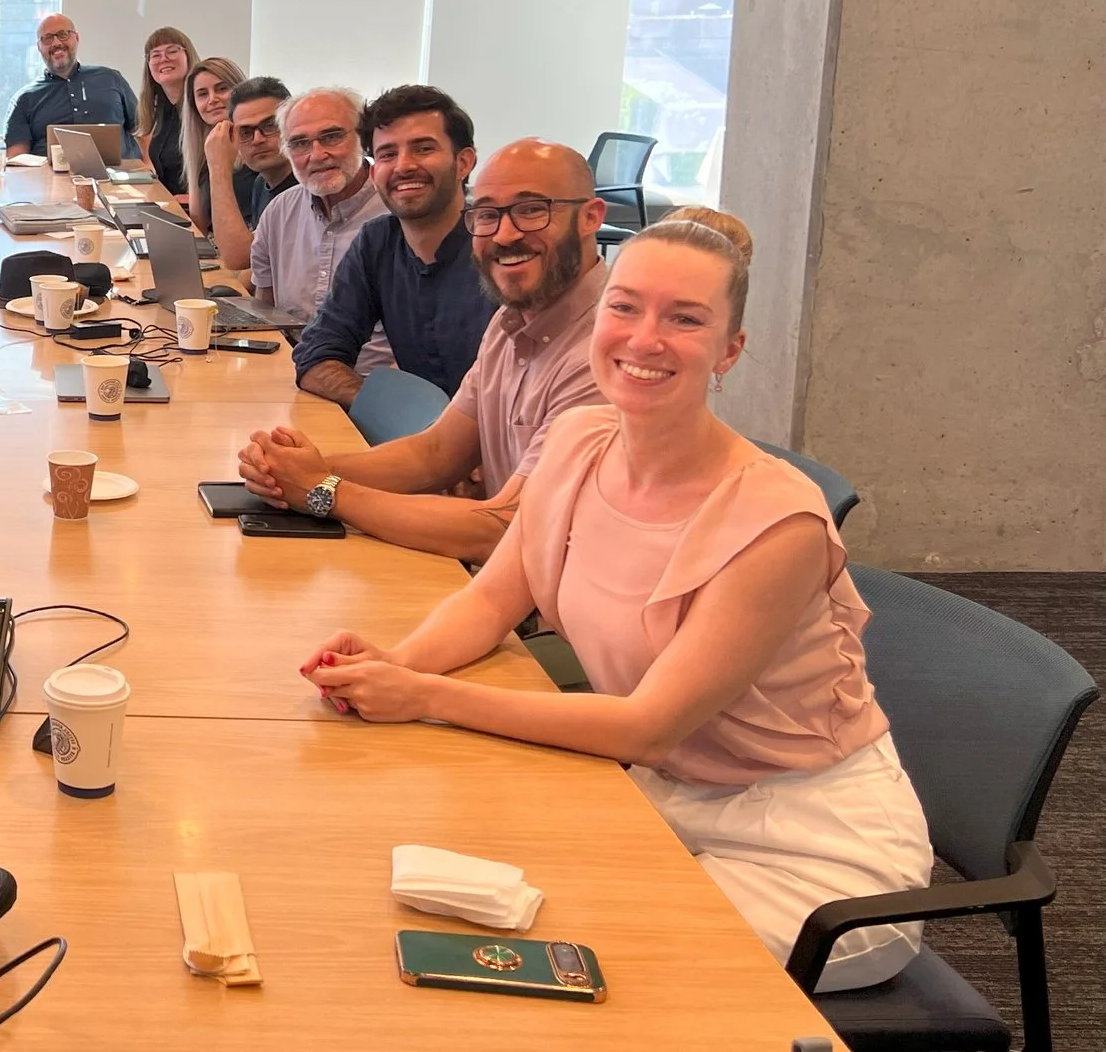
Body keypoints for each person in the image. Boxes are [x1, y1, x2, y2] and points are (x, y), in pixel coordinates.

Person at [299, 211, 932, 992]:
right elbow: (496, 595)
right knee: (447, 892)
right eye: (625, 306)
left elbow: (647, 723)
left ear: (729, 349)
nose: (643, 337)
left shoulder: (777, 520)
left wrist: (425, 694)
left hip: (812, 852)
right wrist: (394, 664)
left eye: (685, 318)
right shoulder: (580, 437)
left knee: (578, 963)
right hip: (668, 792)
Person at [241, 139, 609, 563]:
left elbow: (506, 528)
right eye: (487, 215)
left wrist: (325, 491)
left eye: (531, 210)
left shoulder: (608, 352)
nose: (505, 235)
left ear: (590, 217)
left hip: (564, 619)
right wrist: (292, 468)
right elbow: (434, 455)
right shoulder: (511, 324)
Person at [288, 84, 494, 405]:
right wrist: (386, 411)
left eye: (423, 148)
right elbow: (317, 353)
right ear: (374, 172)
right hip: (418, 443)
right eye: (387, 154)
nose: (403, 166)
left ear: (464, 162)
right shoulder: (377, 242)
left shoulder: (500, 248)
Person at [241, 85, 386, 348]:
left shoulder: (397, 214)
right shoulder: (279, 212)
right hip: (289, 371)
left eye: (332, 136)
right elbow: (266, 319)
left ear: (363, 139)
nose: (317, 155)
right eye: (300, 143)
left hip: (368, 381)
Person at [2, 13, 138, 158]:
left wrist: (149, 165)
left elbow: (143, 129)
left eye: (63, 34)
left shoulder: (111, 79)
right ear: (39, 47)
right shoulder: (25, 99)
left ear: (77, 38)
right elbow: (16, 158)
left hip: (120, 176)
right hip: (50, 178)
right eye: (47, 38)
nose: (56, 43)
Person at [186, 57, 263, 251]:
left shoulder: (259, 147)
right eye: (202, 94)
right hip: (214, 251)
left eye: (222, 89)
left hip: (245, 256)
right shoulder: (202, 149)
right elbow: (199, 224)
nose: (212, 99)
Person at [134, 26, 200, 198]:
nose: (164, 59)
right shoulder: (160, 109)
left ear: (188, 56)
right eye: (155, 55)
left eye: (172, 51)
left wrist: (194, 200)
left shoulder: (202, 109)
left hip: (200, 214)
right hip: (168, 206)